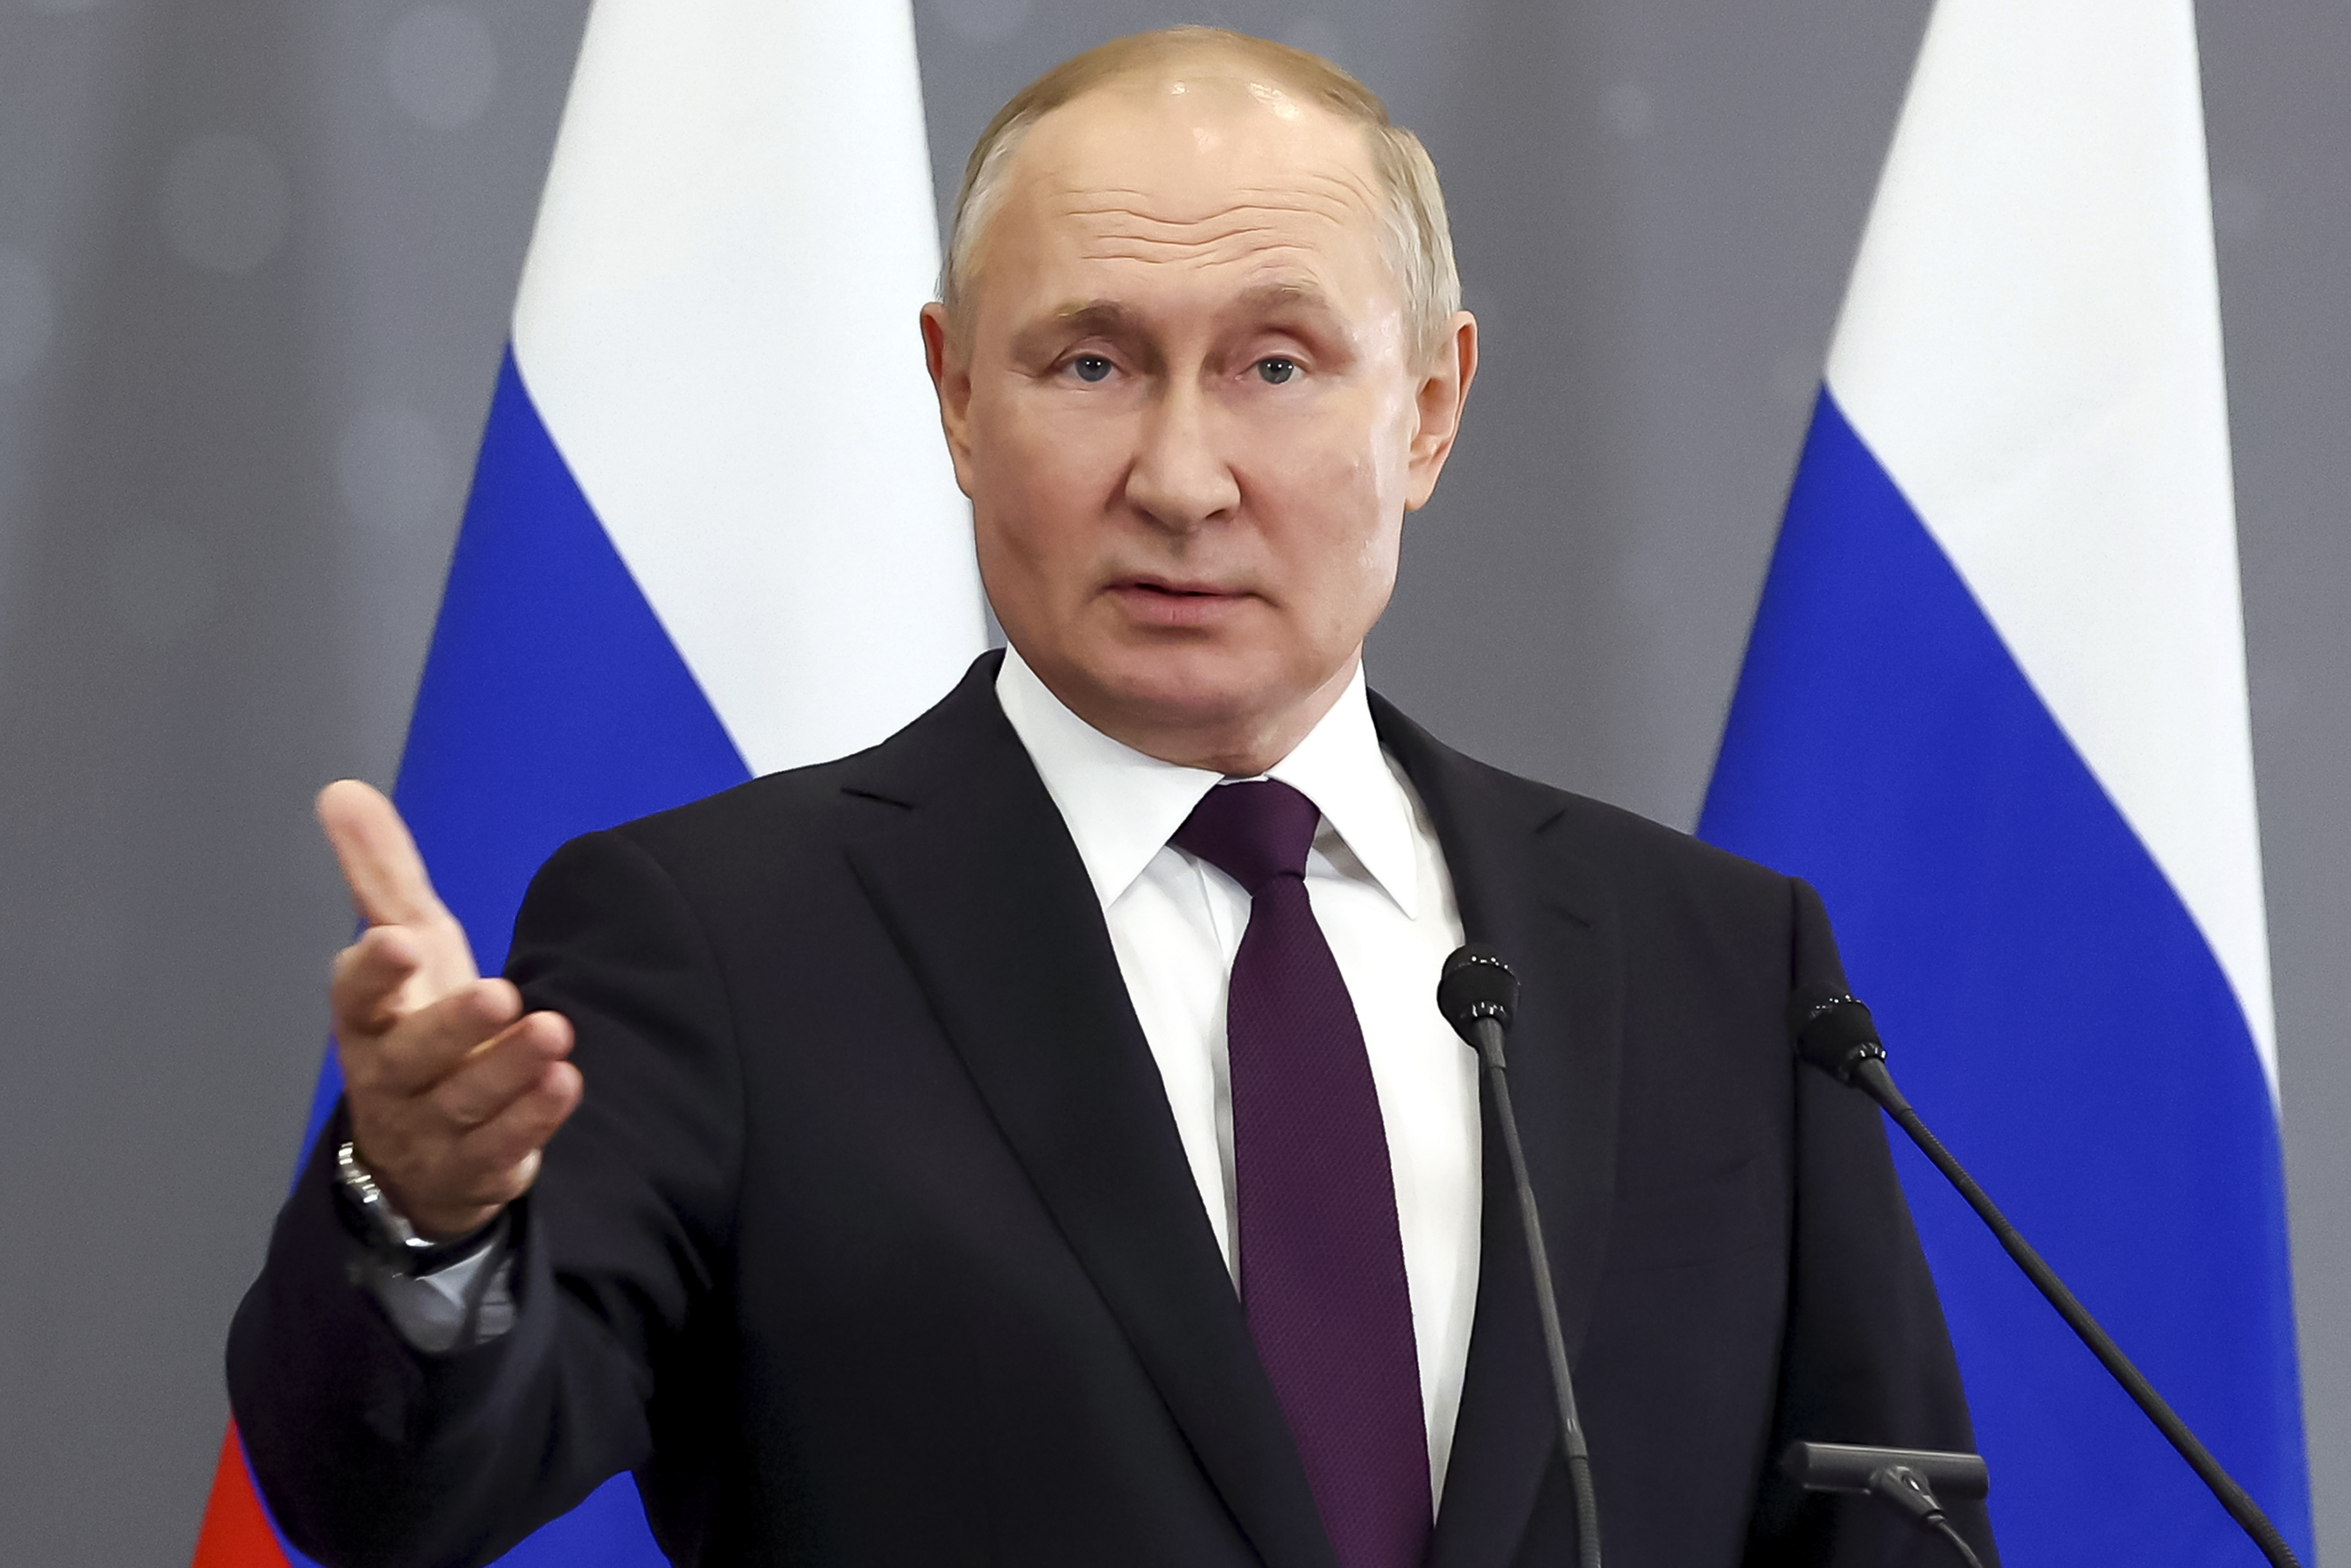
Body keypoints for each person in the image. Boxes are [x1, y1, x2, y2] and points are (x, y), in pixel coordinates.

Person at [230, 27, 1993, 1568]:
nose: (1179, 476)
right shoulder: (720, 943)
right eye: (1090, 362)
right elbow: (396, 1502)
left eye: (1275, 365)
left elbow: (1889, 1534)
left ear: (1432, 406)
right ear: (954, 396)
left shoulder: (1712, 961)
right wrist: (423, 1216)